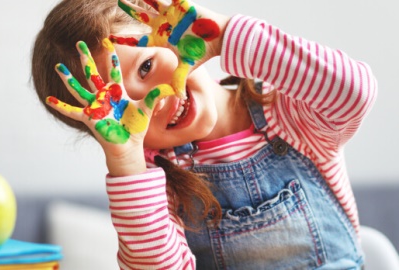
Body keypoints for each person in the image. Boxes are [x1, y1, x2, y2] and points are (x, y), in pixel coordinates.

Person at [31, 0, 378, 269]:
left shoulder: (289, 113)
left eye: (146, 67)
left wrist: (223, 35)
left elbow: (353, 93)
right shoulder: (154, 183)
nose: (154, 100)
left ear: (175, 35)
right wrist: (126, 162)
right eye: (120, 110)